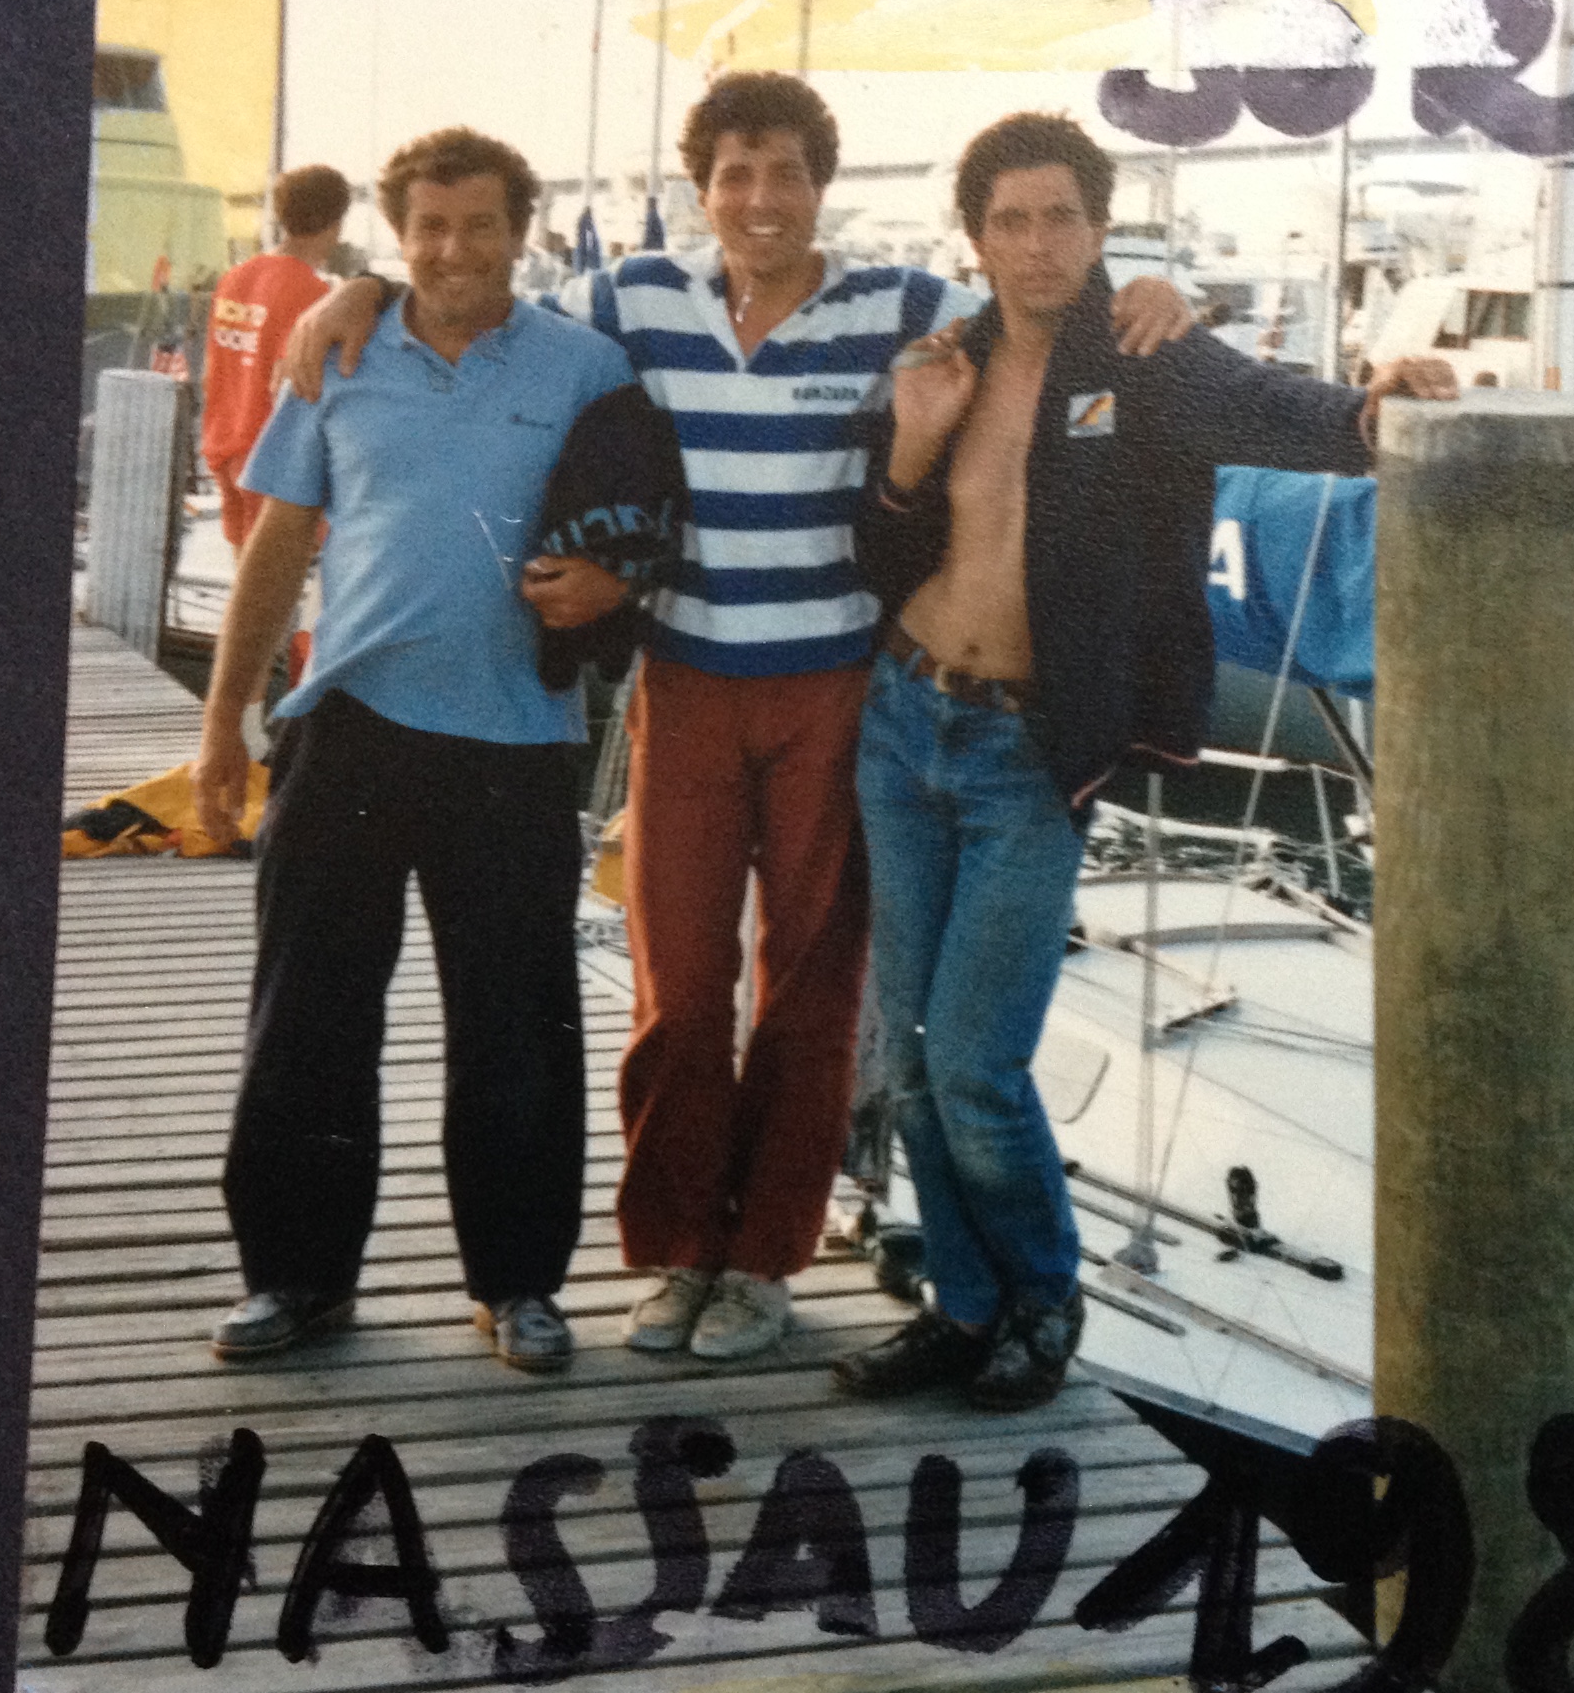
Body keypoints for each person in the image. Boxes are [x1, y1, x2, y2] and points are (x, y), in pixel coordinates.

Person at [280, 72, 1194, 1368]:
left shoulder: (901, 307)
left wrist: (1149, 291)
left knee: (809, 994)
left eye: (786, 175)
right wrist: (362, 289)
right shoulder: (629, 302)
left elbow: (1036, 303)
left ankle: (762, 1259)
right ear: (702, 190)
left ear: (821, 187)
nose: (762, 200)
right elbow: (478, 306)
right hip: (687, 683)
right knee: (679, 986)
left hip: (838, 695)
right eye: (736, 176)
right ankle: (678, 1253)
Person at [836, 112, 1455, 1411]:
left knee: (976, 1063)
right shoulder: (947, 363)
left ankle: (1044, 1300)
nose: (1037, 244)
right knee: (915, 1055)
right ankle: (963, 1306)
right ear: (976, 238)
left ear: (1100, 227)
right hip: (902, 722)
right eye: (1011, 221)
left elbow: (1284, 412)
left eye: (1061, 217)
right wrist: (910, 449)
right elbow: (883, 553)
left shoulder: (1148, 355)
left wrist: (1378, 402)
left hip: (1025, 750)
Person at [190, 127, 640, 1372]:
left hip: (517, 741)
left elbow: (639, 523)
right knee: (308, 1018)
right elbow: (279, 541)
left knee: (519, 1028)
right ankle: (297, 1279)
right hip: (349, 726)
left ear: (521, 232)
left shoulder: (587, 366)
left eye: (480, 225)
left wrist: (614, 584)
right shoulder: (337, 351)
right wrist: (223, 720)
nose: (454, 250)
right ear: (396, 236)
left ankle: (518, 1284)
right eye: (429, 228)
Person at [201, 165, 351, 556]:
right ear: (335, 223)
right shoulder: (311, 291)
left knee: (244, 573)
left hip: (223, 442)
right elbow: (286, 382)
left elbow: (213, 367)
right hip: (268, 460)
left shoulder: (235, 278)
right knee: (272, 580)